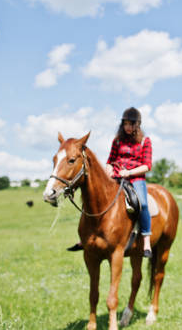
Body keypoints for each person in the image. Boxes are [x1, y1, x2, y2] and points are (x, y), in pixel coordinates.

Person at [67, 107, 154, 258]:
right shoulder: (117, 140)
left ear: (137, 125)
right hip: (116, 176)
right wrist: (109, 170)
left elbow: (147, 165)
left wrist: (129, 172)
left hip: (135, 178)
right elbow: (110, 160)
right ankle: (85, 236)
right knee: (94, 199)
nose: (127, 127)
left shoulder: (145, 141)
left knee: (143, 204)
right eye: (125, 124)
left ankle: (146, 239)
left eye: (131, 124)